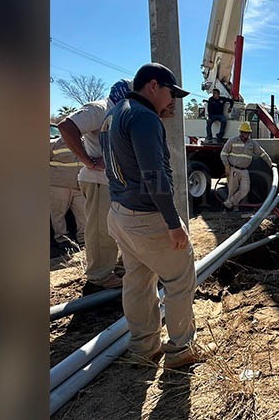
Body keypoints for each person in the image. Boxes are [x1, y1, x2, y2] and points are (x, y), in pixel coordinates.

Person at [101, 62, 203, 369]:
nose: (174, 100)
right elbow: (154, 175)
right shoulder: (144, 118)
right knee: (180, 279)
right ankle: (180, 348)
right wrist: (174, 225)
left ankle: (143, 348)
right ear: (154, 85)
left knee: (138, 280)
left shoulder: (114, 114)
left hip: (120, 214)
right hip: (148, 218)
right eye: (172, 92)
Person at [57, 79, 132, 289]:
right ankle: (99, 276)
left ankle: (115, 267)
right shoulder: (99, 109)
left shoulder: (119, 112)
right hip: (99, 180)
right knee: (100, 230)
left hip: (114, 181)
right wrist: (88, 161)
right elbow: (66, 126)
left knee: (117, 228)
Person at [220, 122, 275, 211]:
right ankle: (234, 208)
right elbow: (223, 154)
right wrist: (227, 166)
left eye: (248, 133)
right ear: (240, 132)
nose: (246, 134)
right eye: (244, 132)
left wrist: (271, 163)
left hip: (244, 170)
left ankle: (228, 204)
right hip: (233, 169)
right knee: (232, 190)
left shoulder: (252, 143)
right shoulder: (232, 141)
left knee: (245, 189)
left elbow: (262, 154)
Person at [49, 136, 86, 251]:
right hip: (58, 186)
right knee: (58, 214)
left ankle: (83, 240)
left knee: (83, 214)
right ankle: (62, 240)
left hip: (79, 185)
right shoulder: (53, 144)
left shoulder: (85, 143)